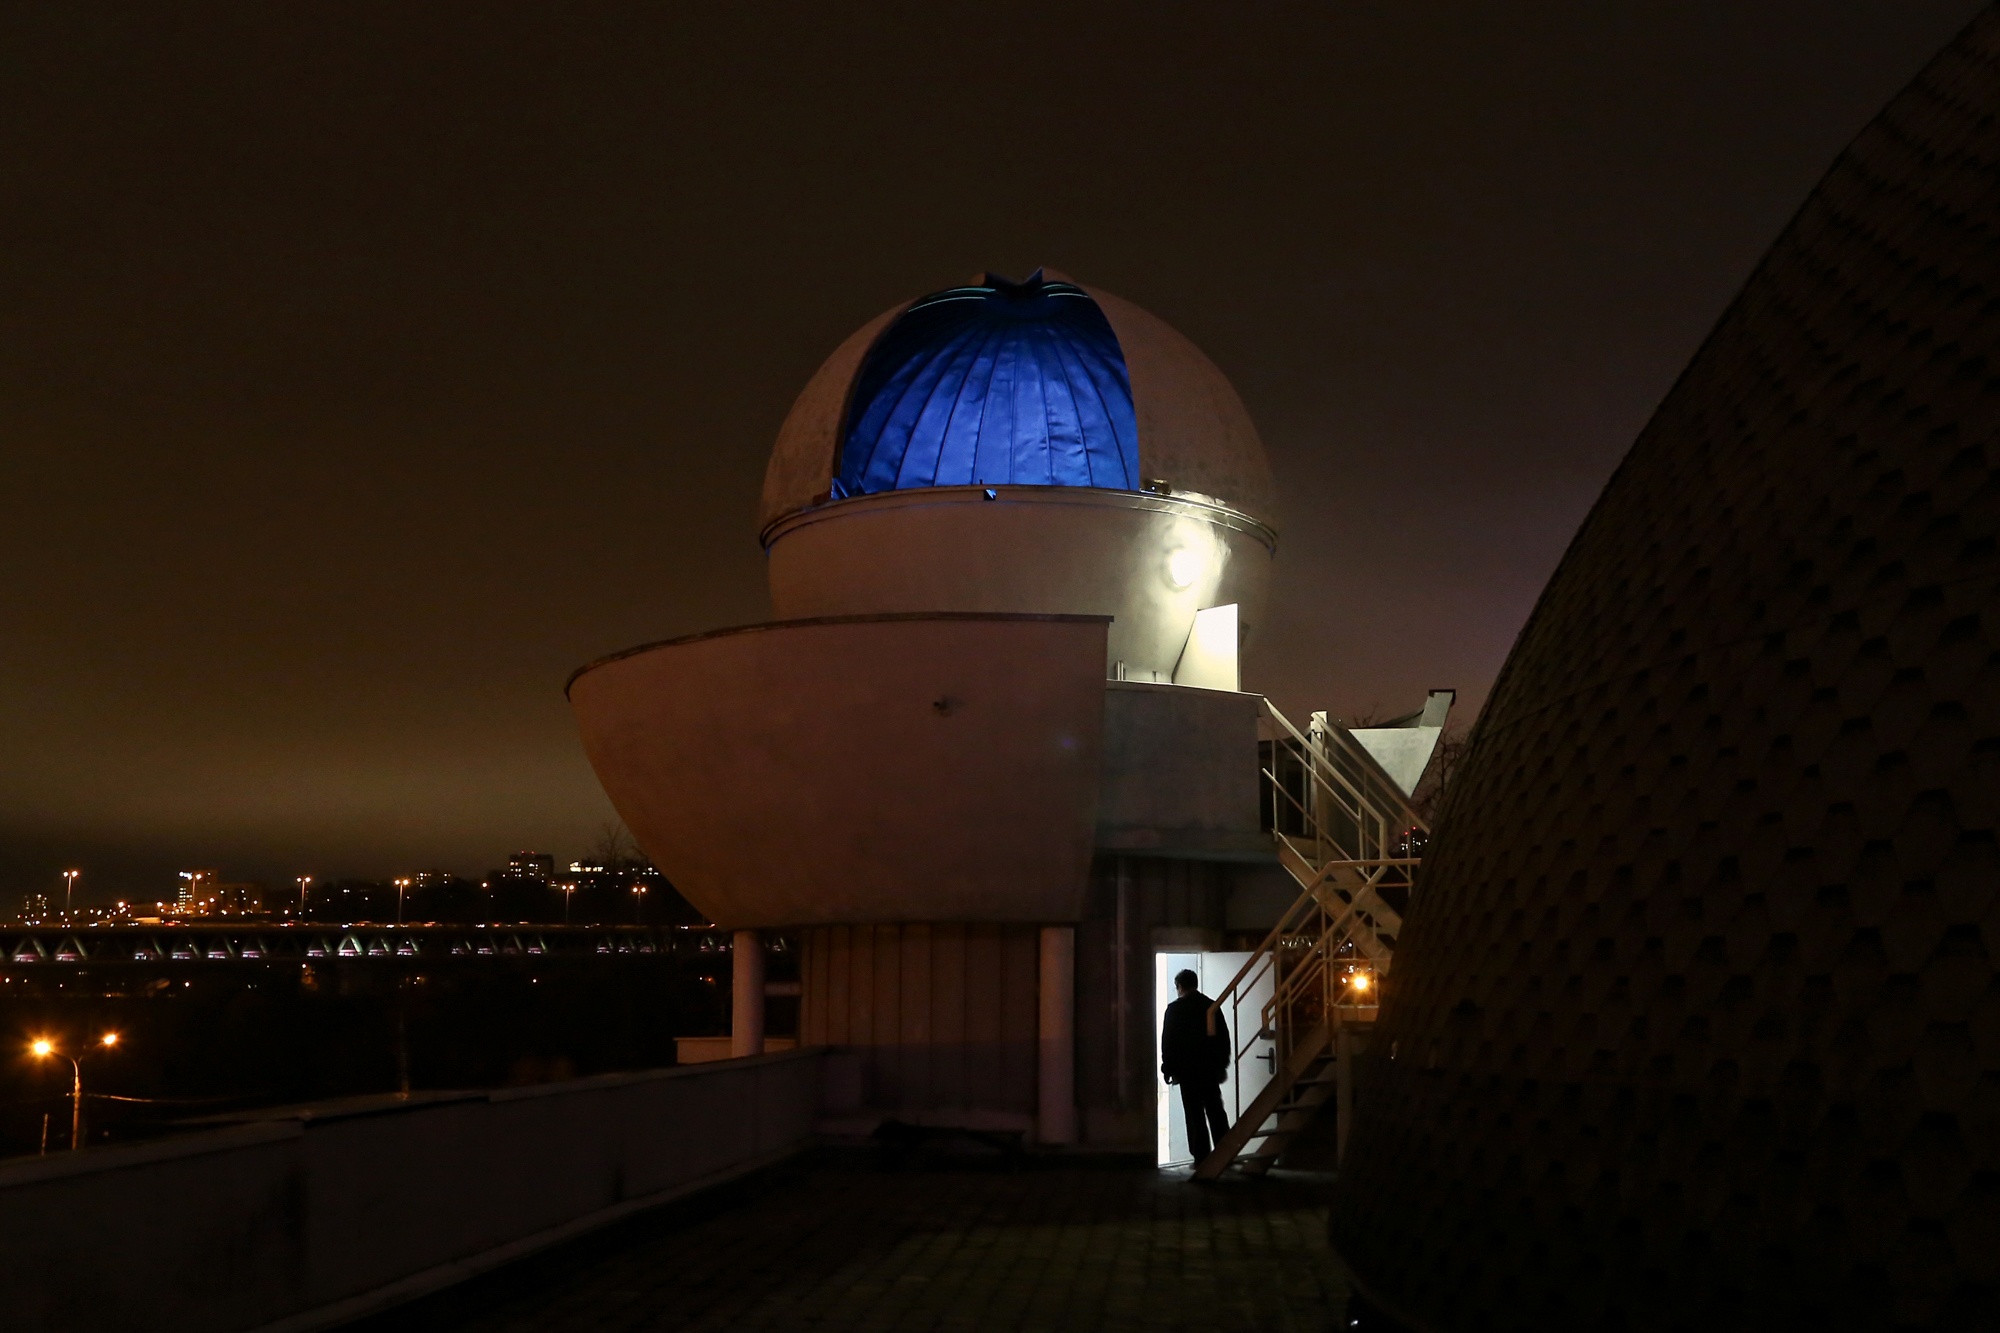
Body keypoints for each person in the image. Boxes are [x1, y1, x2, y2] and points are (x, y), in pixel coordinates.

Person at [1161, 968, 1231, 1163]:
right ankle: (1225, 1152)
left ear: (1179, 986)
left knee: (1194, 1116)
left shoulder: (1174, 1010)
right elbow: (1223, 1038)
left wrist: (1168, 1068)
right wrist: (1222, 1065)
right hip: (1208, 1069)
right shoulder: (1210, 1006)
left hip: (1187, 1071)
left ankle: (1201, 1157)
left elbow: (1168, 1042)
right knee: (1216, 1110)